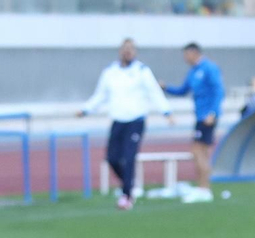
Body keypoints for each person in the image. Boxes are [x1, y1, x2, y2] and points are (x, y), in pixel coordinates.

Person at [79, 38, 173, 211]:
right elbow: (101, 94)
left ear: (135, 52)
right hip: (118, 120)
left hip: (136, 120)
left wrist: (166, 112)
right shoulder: (110, 72)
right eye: (125, 49)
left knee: (129, 157)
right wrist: (86, 110)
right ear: (120, 51)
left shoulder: (142, 71)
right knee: (112, 158)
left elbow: (154, 91)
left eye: (131, 49)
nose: (128, 52)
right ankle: (128, 184)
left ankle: (127, 195)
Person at [162, 42, 224, 177]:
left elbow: (219, 91)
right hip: (200, 116)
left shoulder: (209, 68)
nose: (185, 58)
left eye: (186, 54)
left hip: (208, 117)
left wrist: (213, 113)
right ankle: (203, 188)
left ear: (194, 53)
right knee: (200, 152)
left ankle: (204, 188)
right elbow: (183, 90)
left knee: (198, 151)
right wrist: (166, 87)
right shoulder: (193, 71)